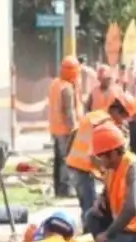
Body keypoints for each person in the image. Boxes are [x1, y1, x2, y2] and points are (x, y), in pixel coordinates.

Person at [64, 90, 135, 213]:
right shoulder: (105, 125)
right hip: (85, 169)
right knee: (90, 208)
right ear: (118, 111)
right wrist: (106, 176)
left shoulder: (95, 115)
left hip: (74, 164)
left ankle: (87, 229)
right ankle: (89, 231)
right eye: (123, 117)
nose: (123, 121)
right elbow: (95, 154)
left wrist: (67, 157)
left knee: (85, 204)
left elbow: (74, 133)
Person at [48, 56, 84, 197]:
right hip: (66, 130)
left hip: (55, 129)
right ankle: (65, 188)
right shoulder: (67, 88)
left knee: (58, 160)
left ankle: (58, 188)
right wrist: (74, 129)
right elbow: (68, 111)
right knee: (67, 160)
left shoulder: (55, 84)